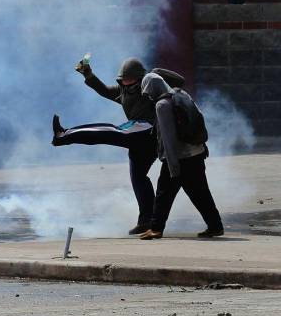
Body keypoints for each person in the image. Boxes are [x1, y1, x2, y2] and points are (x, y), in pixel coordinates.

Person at [52, 57, 184, 235]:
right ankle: (147, 220)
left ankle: (64, 135)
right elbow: (104, 90)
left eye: (131, 79)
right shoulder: (123, 91)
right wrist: (88, 74)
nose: (127, 83)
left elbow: (178, 82)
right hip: (138, 141)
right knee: (138, 178)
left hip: (149, 132)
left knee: (109, 131)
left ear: (140, 77)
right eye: (124, 79)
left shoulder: (149, 87)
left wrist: (157, 73)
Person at [138, 72, 223, 240]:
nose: (147, 95)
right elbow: (199, 117)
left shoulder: (162, 105)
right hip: (196, 153)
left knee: (163, 194)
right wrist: (202, 146)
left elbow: (168, 139)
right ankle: (215, 226)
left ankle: (156, 229)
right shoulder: (180, 94)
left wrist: (173, 166)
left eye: (147, 91)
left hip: (178, 158)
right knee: (201, 194)